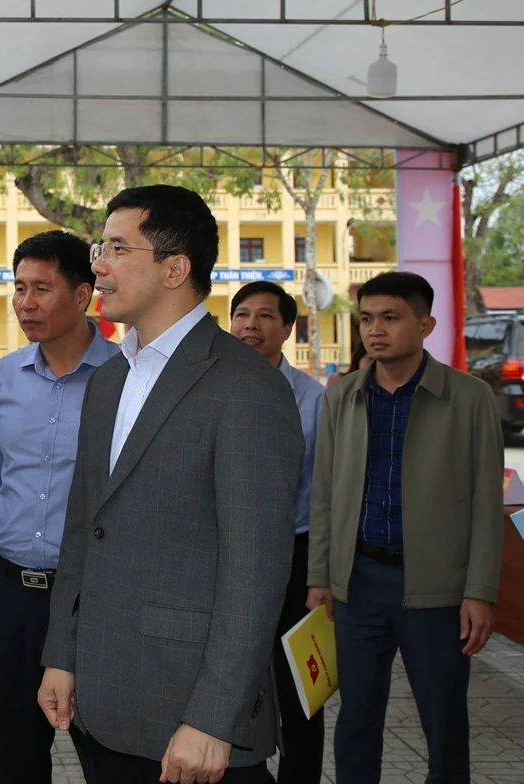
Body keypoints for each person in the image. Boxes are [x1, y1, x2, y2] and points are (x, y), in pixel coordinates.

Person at [39, 184, 304, 784]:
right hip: (101, 698)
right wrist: (62, 654)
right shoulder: (108, 379)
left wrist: (213, 718)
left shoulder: (246, 388)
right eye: (99, 249)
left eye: (116, 249)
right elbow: (83, 532)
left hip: (191, 716)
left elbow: (256, 572)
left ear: (174, 269)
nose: (97, 266)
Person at [307, 271, 504, 784]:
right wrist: (321, 577)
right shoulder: (343, 396)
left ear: (425, 324)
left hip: (436, 589)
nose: (375, 330)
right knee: (356, 719)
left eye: (390, 318)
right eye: (367, 319)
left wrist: (480, 590)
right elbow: (324, 494)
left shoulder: (469, 397)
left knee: (443, 721)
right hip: (359, 583)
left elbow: (487, 503)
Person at [0, 230, 115, 783]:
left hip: (95, 600)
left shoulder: (126, 379)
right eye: (18, 288)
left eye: (41, 288)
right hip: (9, 596)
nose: (25, 303)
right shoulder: (3, 378)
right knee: (15, 758)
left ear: (82, 295)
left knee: (108, 756)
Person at [228, 280, 326, 784]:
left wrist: (321, 573)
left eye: (265, 316)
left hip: (295, 557)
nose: (251, 325)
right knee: (230, 677)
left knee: (299, 687)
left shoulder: (314, 399)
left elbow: (328, 492)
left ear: (287, 328)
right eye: (242, 314)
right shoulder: (211, 389)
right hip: (227, 556)